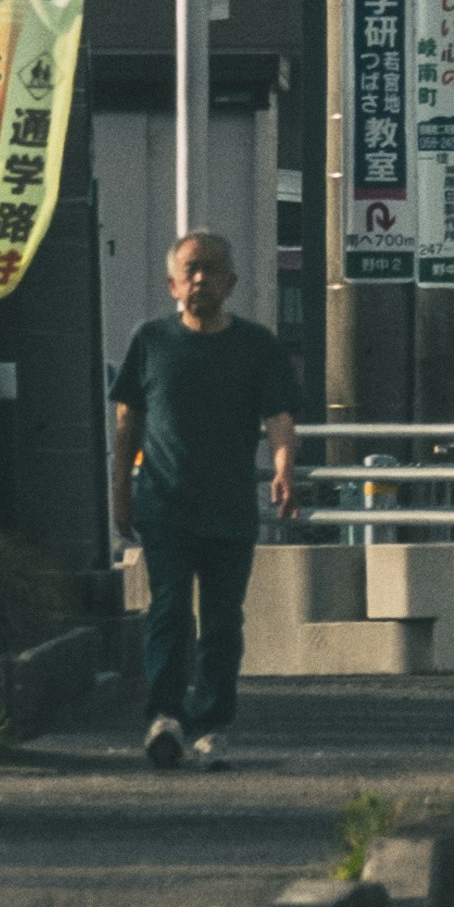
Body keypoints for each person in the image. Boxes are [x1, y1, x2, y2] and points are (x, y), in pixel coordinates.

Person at [110, 230, 301, 768]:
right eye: (190, 270)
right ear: (172, 283)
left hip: (230, 506)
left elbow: (280, 418)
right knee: (168, 611)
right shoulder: (151, 341)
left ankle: (212, 726)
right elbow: (127, 423)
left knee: (222, 620)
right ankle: (164, 716)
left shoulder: (257, 345)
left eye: (211, 270)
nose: (200, 280)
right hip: (164, 503)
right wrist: (120, 492)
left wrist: (284, 471)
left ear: (231, 282)